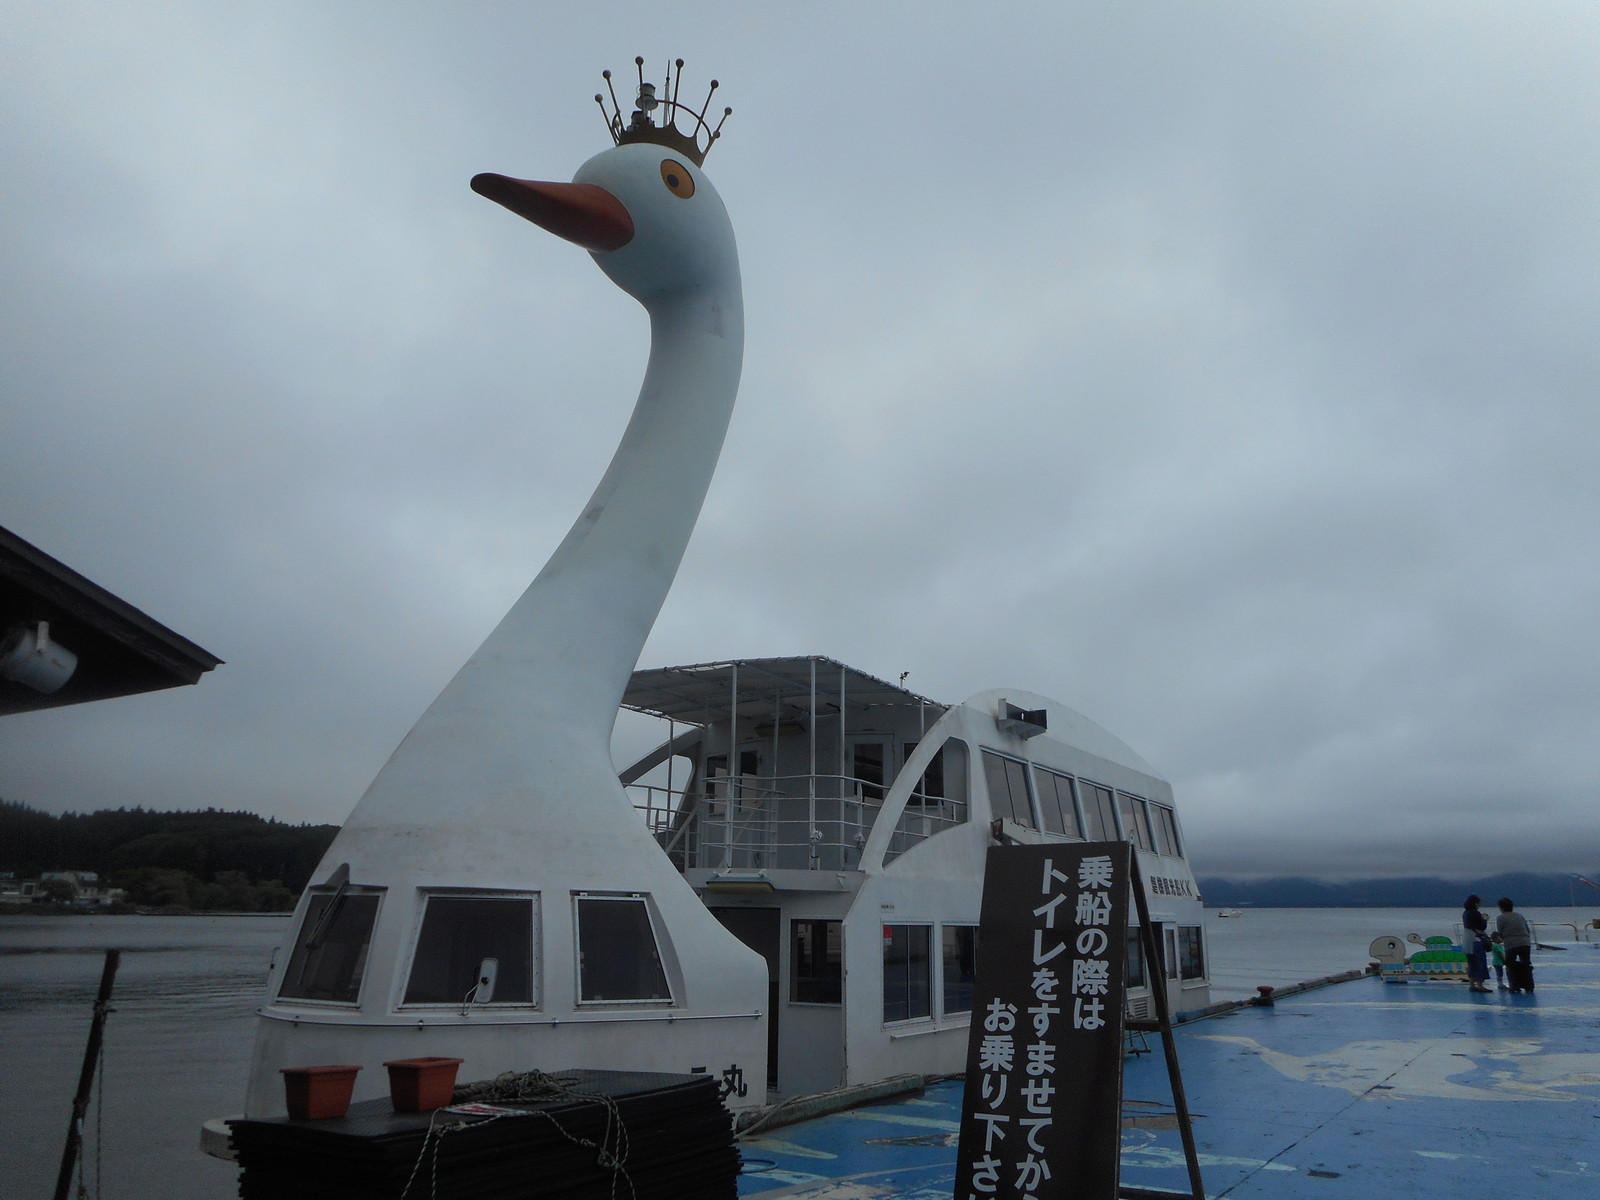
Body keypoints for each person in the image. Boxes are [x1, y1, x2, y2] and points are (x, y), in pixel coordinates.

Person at [1496, 897, 1534, 993]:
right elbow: (1527, 930)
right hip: (1525, 942)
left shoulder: (1501, 918)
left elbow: (1500, 932)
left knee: (1510, 965)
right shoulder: (1520, 916)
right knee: (1526, 965)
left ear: (1501, 908)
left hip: (1511, 943)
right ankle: (1529, 987)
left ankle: (1514, 986)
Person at [1461, 895, 1492, 993]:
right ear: (1475, 903)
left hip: (1467, 939)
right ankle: (1480, 985)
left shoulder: (1465, 913)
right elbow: (1482, 927)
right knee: (1480, 962)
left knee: (1471, 963)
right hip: (1476, 940)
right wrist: (1485, 919)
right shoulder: (1476, 913)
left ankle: (1472, 984)